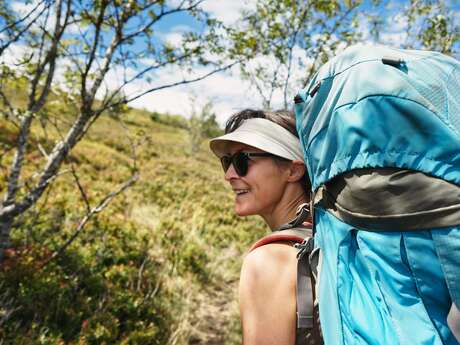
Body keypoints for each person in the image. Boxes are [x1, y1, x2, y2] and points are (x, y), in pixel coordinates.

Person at [209, 109, 313, 345]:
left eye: (242, 160)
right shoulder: (330, 238)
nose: (229, 175)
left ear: (293, 170)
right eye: (227, 162)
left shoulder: (269, 261)